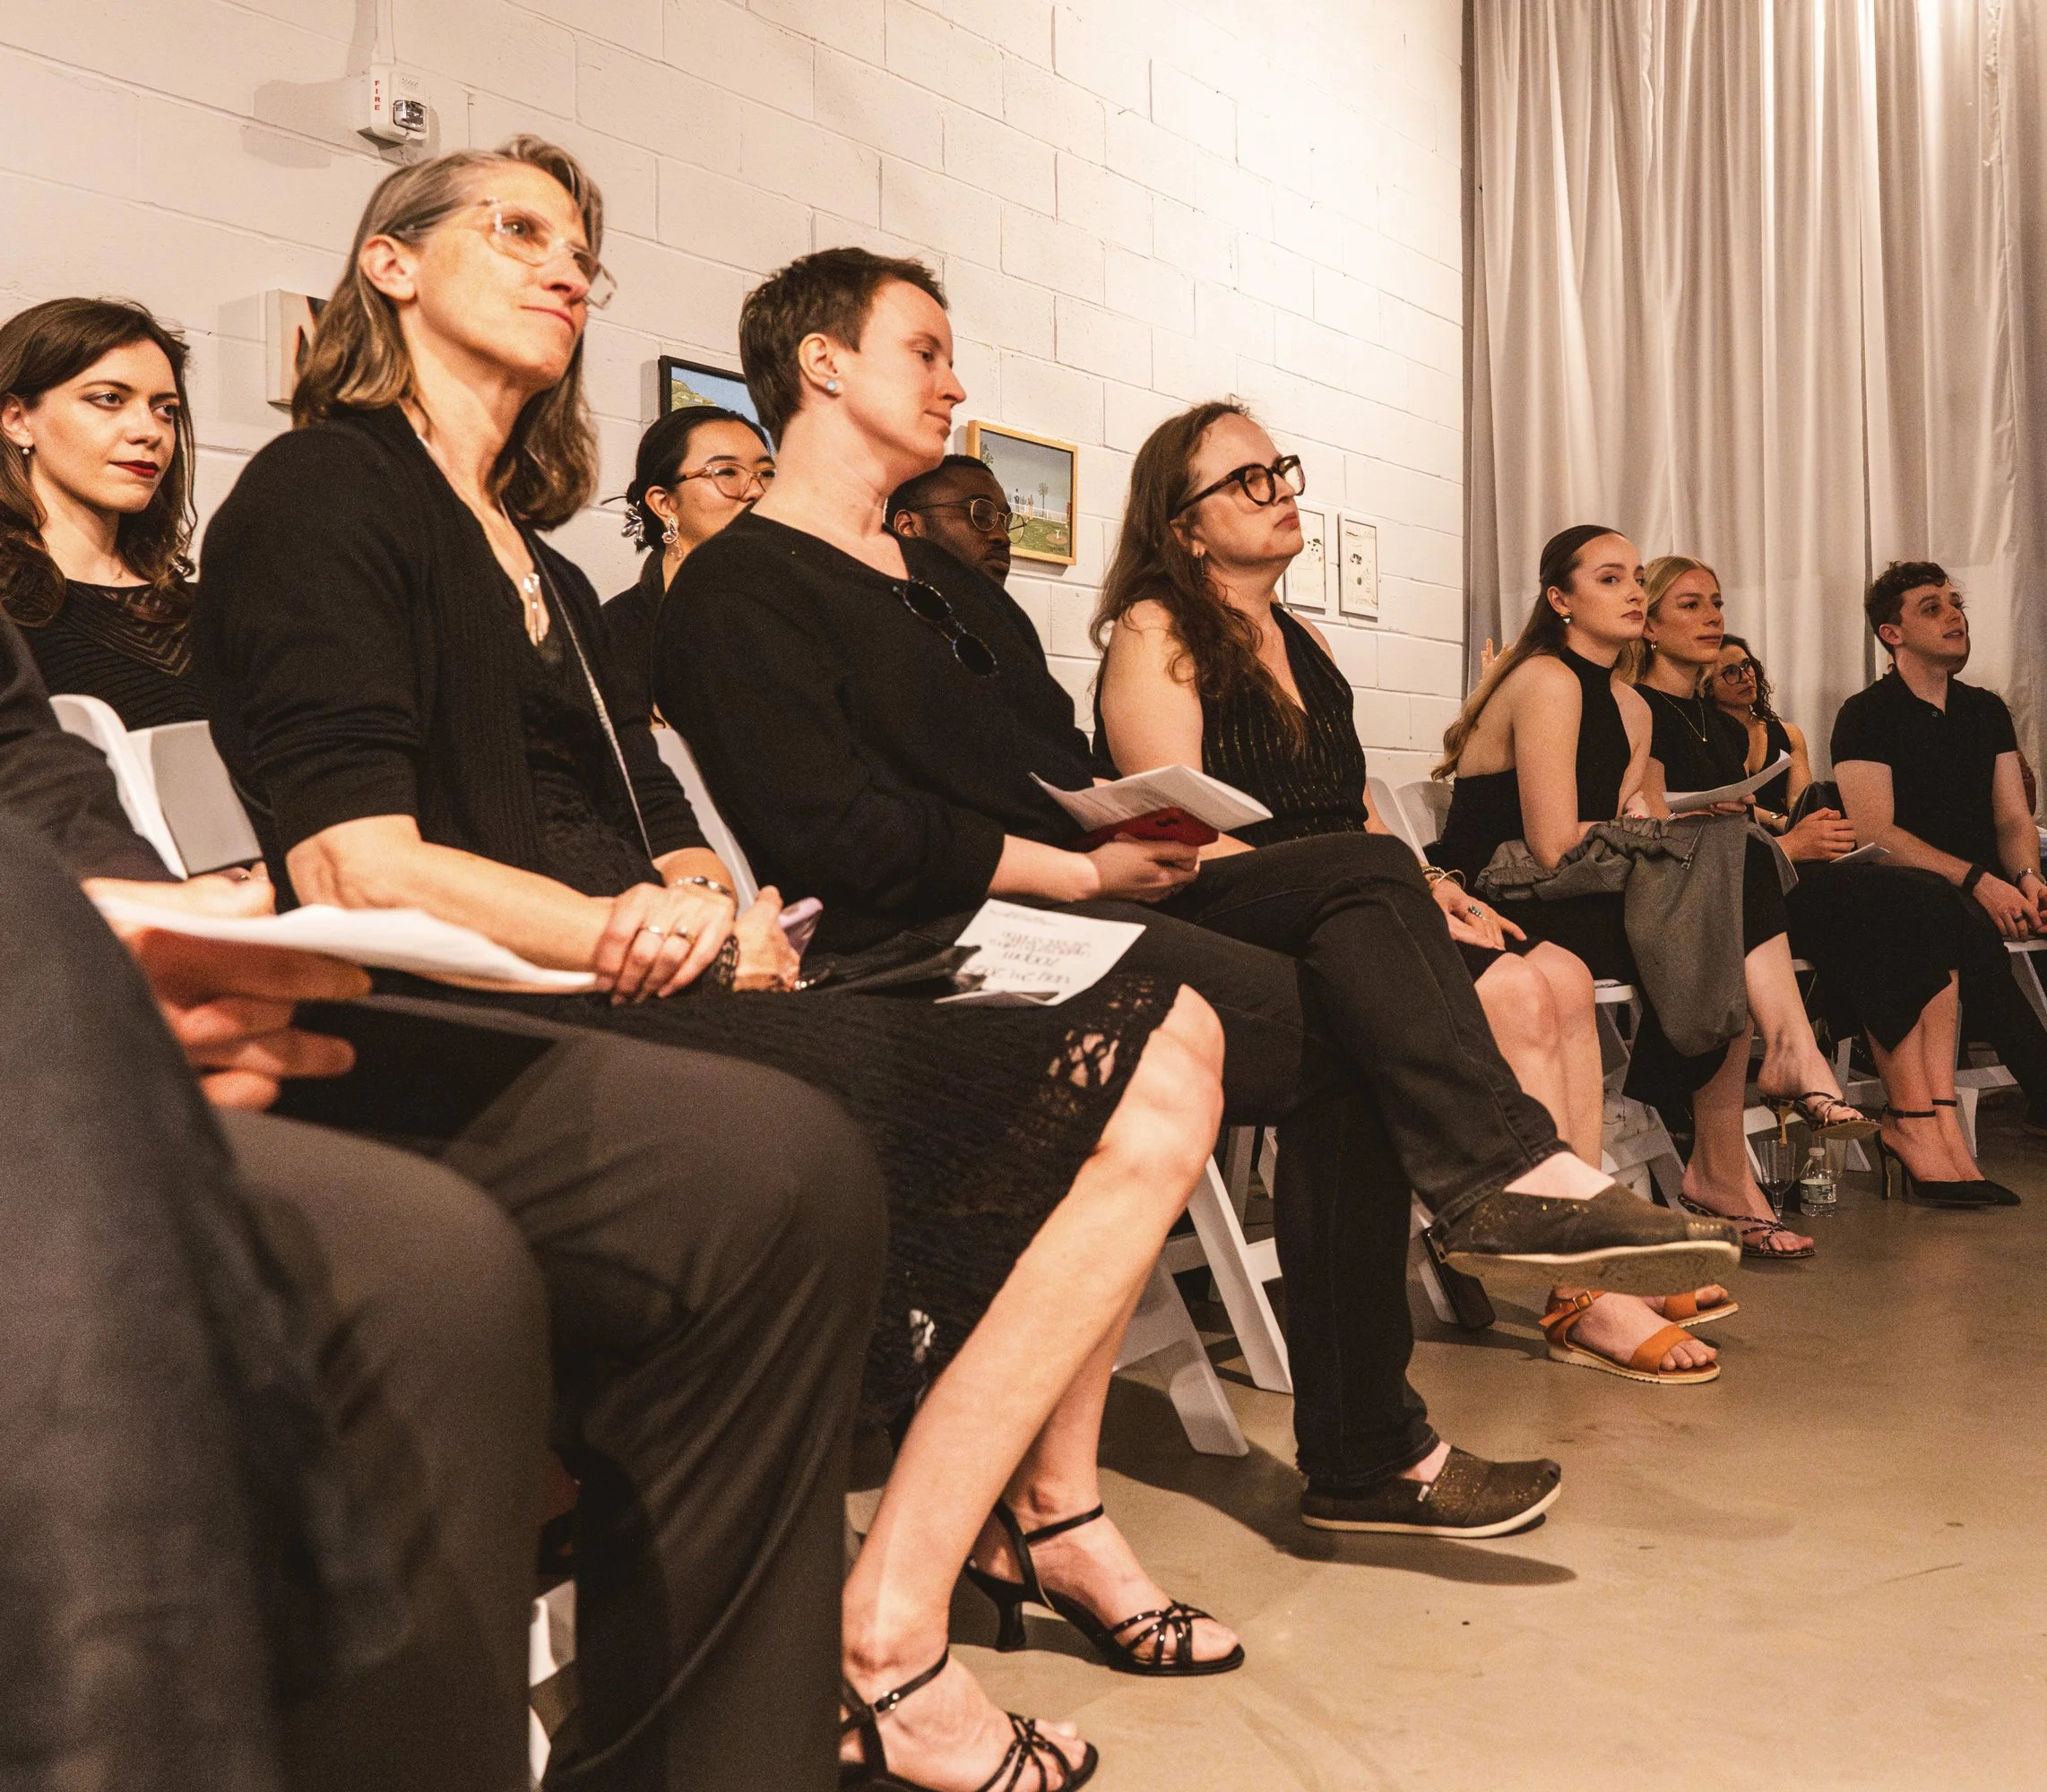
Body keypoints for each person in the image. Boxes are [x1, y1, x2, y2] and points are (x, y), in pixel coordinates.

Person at [194, 138, 1231, 1792]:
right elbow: (354, 860)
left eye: (582, 247)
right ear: (388, 262)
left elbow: (627, 808)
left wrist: (700, 892)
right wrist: (632, 925)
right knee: (1054, 1083)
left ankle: (907, 1596)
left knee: (1165, 1033)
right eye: (515, 230)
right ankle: (897, 1641)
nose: (565, 267)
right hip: (460, 1016)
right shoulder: (330, 490)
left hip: (643, 985)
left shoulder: (527, 544)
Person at [656, 247, 1739, 1549]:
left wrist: (1150, 836)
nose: (954, 382)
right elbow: (829, 830)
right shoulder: (738, 587)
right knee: (1355, 1013)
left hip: (1082, 894)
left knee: (1362, 878)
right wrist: (1079, 868)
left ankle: (1460, 1254)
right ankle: (1409, 1359)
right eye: (926, 352)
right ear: (823, 366)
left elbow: (1058, 771)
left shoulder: (947, 585)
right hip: (939, 936)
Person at [0, 607, 882, 1792]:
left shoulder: (555, 569)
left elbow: (20, 750)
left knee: (770, 1168)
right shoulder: (327, 501)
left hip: (74, 966)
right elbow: (364, 853)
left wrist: (140, 925)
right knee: (414, 1266)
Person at [1093, 400, 1724, 1384]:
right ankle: (1570, 1272)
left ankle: (1580, 1249)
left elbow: (1354, 808)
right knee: (1510, 988)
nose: (1280, 492)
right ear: (1184, 525)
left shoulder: (1307, 642)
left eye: (1281, 468)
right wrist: (1385, 875)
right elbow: (1168, 823)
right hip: (1232, 900)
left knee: (1554, 971)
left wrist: (1432, 881)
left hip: (1358, 896)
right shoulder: (1155, 624)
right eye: (1247, 480)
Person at [1434, 526, 1838, 1263]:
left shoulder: (1632, 705)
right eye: (1611, 579)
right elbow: (1554, 843)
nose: (1631, 592)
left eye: (1636, 577)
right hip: (1504, 888)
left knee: (1732, 870)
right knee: (1726, 896)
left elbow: (1632, 819)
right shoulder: (1547, 679)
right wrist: (1667, 830)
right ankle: (1762, 1098)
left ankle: (1754, 1105)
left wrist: (1673, 818)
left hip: (1585, 880)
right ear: (1561, 600)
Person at [1639, 556, 2014, 1205]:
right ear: (1646, 626)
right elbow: (1661, 842)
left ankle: (1938, 1119)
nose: (1714, 618)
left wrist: (1791, 835)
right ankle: (1913, 1122)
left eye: (1717, 602)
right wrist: (1789, 842)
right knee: (1891, 907)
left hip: (1754, 879)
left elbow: (1738, 823)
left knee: (1929, 898)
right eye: (1691, 605)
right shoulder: (1638, 708)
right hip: (1710, 895)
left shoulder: (1715, 721)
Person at [1831, 561, 2047, 1167]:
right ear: (1892, 633)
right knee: (1973, 937)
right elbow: (1876, 831)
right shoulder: (1866, 713)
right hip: (1917, 888)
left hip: (1996, 875)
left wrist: (2030, 877)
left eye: (1955, 602)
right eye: (1931, 606)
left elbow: (2013, 820)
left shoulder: (1984, 710)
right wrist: (1979, 882)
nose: (1954, 615)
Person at [0, 296, 205, 727]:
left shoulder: (205, 611)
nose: (149, 431)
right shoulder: (8, 612)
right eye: (110, 398)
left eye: (165, 409)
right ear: (18, 419)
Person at [600, 402, 772, 726]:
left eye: (766, 474)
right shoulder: (615, 635)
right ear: (664, 503)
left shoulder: (789, 620)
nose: (756, 492)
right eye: (726, 473)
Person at [1708, 633, 1809, 821]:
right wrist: (1775, 819)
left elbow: (1800, 803)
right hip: (1730, 838)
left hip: (1789, 835)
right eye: (1730, 671)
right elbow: (1720, 805)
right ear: (1708, 686)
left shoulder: (1789, 734)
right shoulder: (1705, 738)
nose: (1745, 677)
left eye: (1746, 665)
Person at [887, 452, 1017, 587]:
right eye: (979, 515)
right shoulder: (872, 604)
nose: (1003, 537)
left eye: (1006, 524)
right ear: (908, 527)